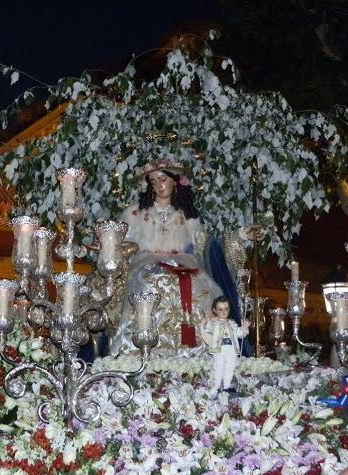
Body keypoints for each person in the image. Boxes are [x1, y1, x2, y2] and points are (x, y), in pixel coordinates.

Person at [107, 159, 258, 356]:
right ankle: (139, 348)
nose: (159, 186)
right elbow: (121, 244)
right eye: (153, 182)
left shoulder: (187, 215)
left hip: (183, 265)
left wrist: (240, 235)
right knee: (148, 281)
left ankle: (199, 349)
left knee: (198, 285)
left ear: (175, 182)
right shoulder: (134, 213)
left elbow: (205, 244)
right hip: (146, 264)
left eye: (162, 179)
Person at [201, 296, 250, 398]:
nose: (224, 312)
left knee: (230, 367)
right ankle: (217, 385)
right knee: (218, 367)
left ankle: (227, 387)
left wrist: (244, 327)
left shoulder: (232, 323)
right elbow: (208, 329)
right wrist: (208, 320)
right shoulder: (215, 323)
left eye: (226, 309)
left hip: (231, 349)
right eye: (220, 309)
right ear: (215, 310)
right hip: (219, 349)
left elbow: (240, 334)